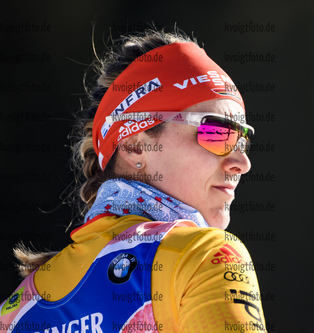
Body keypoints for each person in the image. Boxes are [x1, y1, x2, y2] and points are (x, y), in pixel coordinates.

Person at [0, 29, 266, 333]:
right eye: (217, 133)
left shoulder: (19, 308)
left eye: (243, 141)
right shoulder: (205, 257)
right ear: (134, 146)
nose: (242, 163)